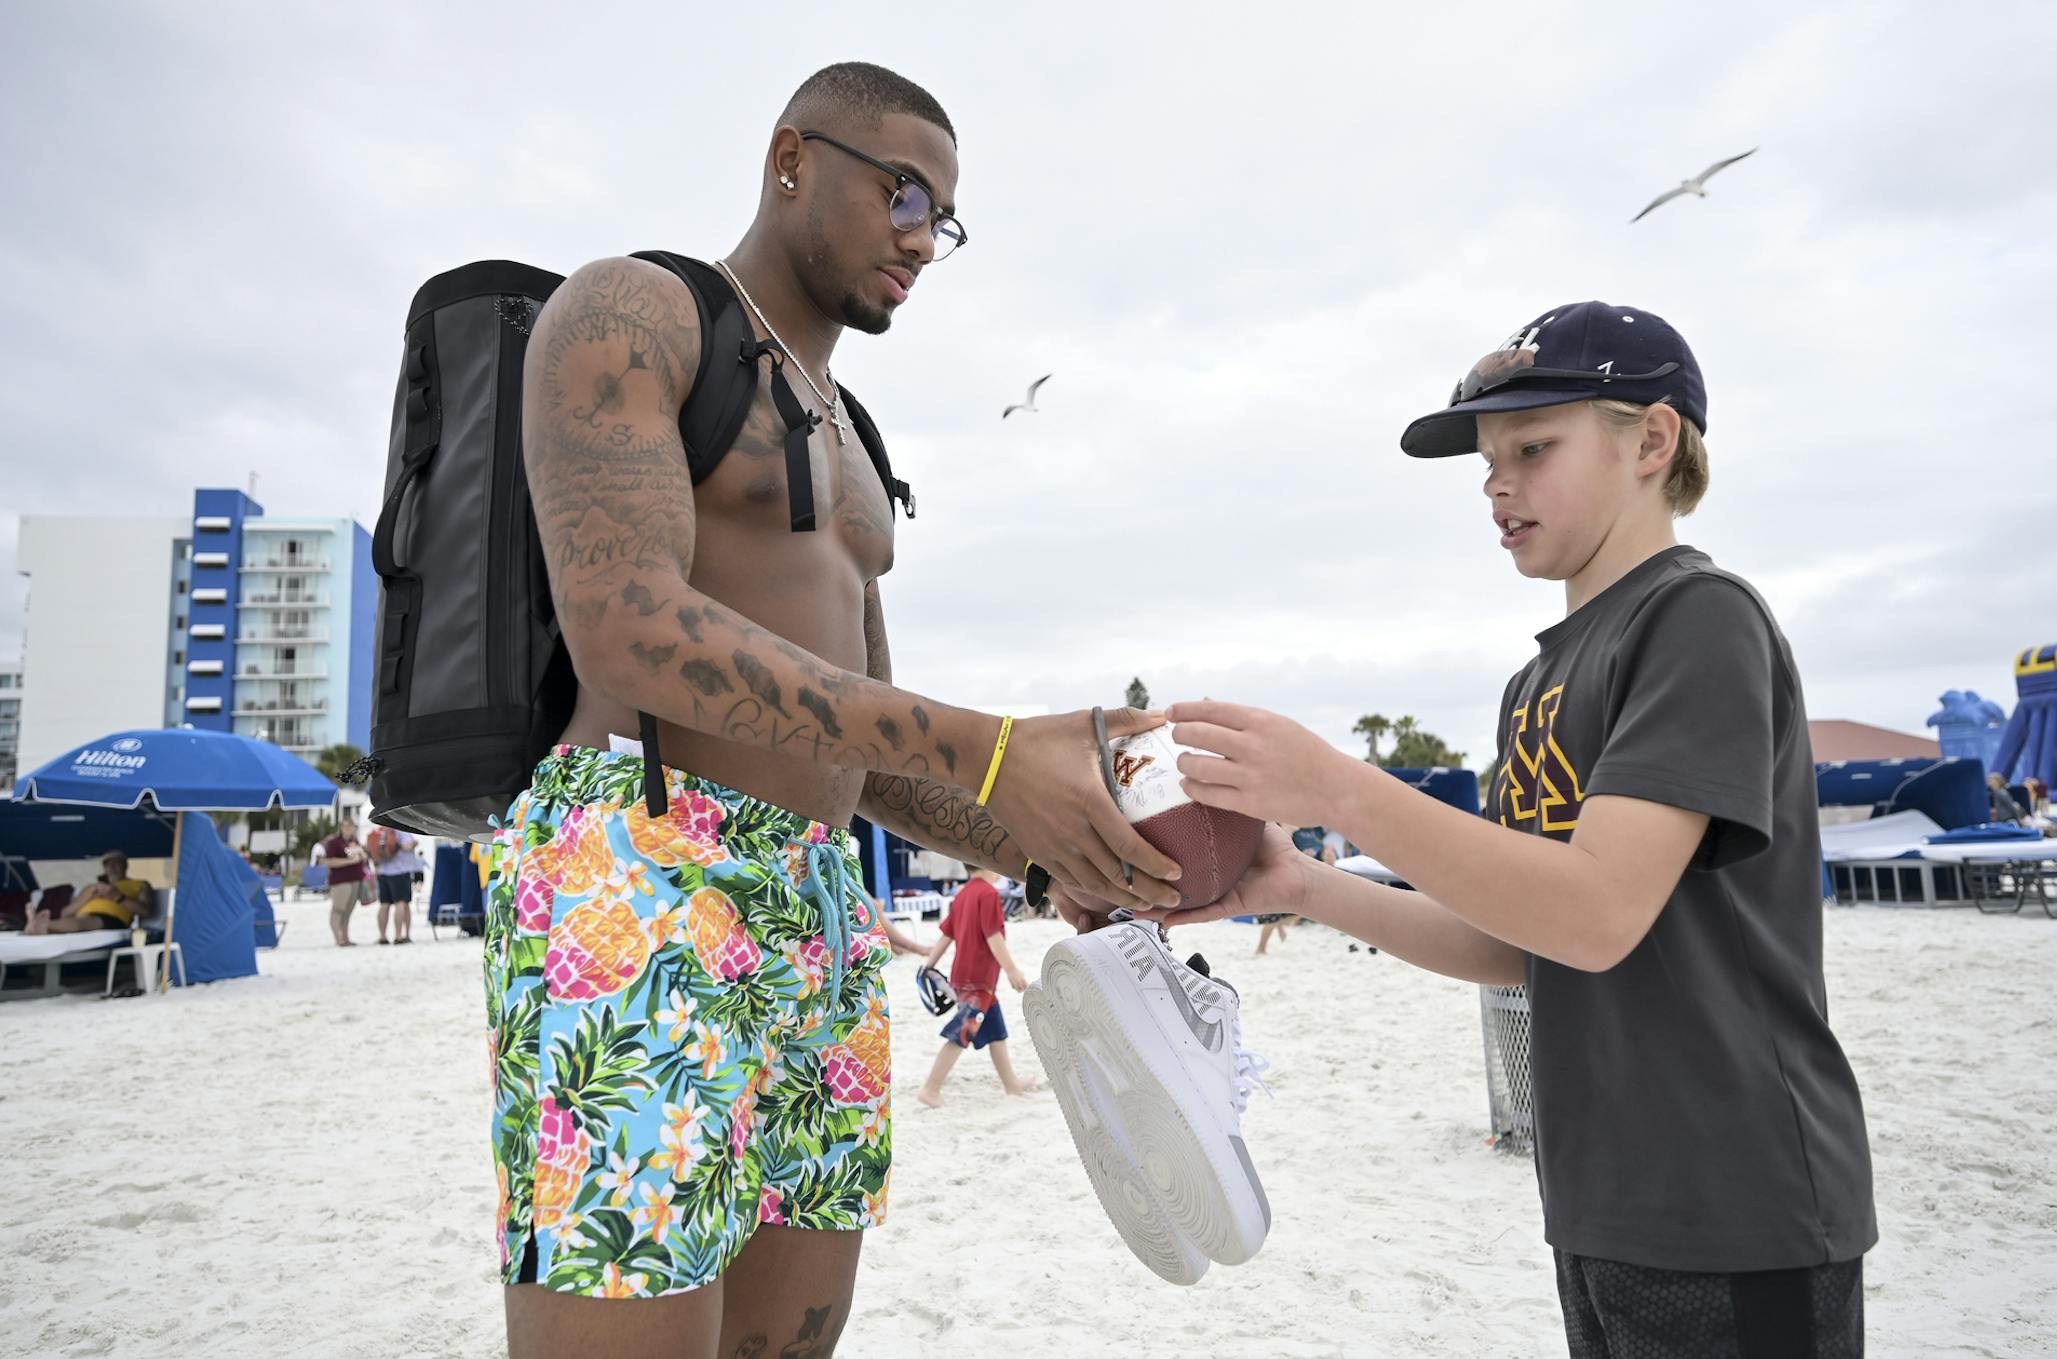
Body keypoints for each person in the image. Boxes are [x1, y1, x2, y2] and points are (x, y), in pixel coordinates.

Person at [495, 62, 1180, 1354]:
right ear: (792, 157)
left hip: (817, 900)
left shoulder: (852, 431)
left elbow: (857, 748)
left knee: (792, 1332)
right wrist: (993, 748)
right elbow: (627, 620)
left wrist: (1055, 847)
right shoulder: (638, 309)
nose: (924, 236)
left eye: (947, 217)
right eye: (903, 191)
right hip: (640, 870)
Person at [1154, 303, 1874, 1354]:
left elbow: (1596, 913)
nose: (1498, 483)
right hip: (1603, 1200)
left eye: (1533, 448)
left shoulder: (1698, 618)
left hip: (1737, 1198)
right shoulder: (1536, 678)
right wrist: (1304, 886)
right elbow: (1523, 945)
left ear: (1653, 441)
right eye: (1488, 461)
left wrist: (1344, 789)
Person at [914, 866, 1036, 1107]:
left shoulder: (963, 893)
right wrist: (1012, 970)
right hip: (978, 980)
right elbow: (993, 937)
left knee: (996, 1031)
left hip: (965, 978)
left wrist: (928, 966)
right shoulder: (988, 894)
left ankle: (1011, 1083)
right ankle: (931, 1088)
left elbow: (946, 936)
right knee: (962, 1032)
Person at [24, 851, 152, 935]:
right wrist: (87, 898)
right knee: (75, 920)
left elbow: (145, 911)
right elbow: (66, 912)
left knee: (85, 922)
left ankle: (41, 925)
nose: (112, 867)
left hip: (113, 918)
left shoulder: (140, 885)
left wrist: (119, 897)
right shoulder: (92, 887)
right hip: (81, 916)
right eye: (108, 864)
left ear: (125, 866)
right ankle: (40, 927)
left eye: (116, 864)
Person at [368, 825, 422, 945]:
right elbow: (407, 846)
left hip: (383, 872)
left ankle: (382, 936)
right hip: (400, 872)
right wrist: (414, 843)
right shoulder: (401, 829)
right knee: (401, 904)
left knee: (384, 905)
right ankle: (400, 936)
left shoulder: (381, 829)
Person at [318, 819, 368, 948]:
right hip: (340, 880)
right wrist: (349, 862)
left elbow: (363, 858)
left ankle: (345, 937)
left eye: (351, 826)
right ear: (341, 828)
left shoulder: (354, 842)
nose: (348, 829)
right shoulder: (334, 843)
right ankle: (338, 938)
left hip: (355, 879)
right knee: (338, 909)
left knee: (348, 911)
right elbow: (329, 861)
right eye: (346, 826)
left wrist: (362, 857)